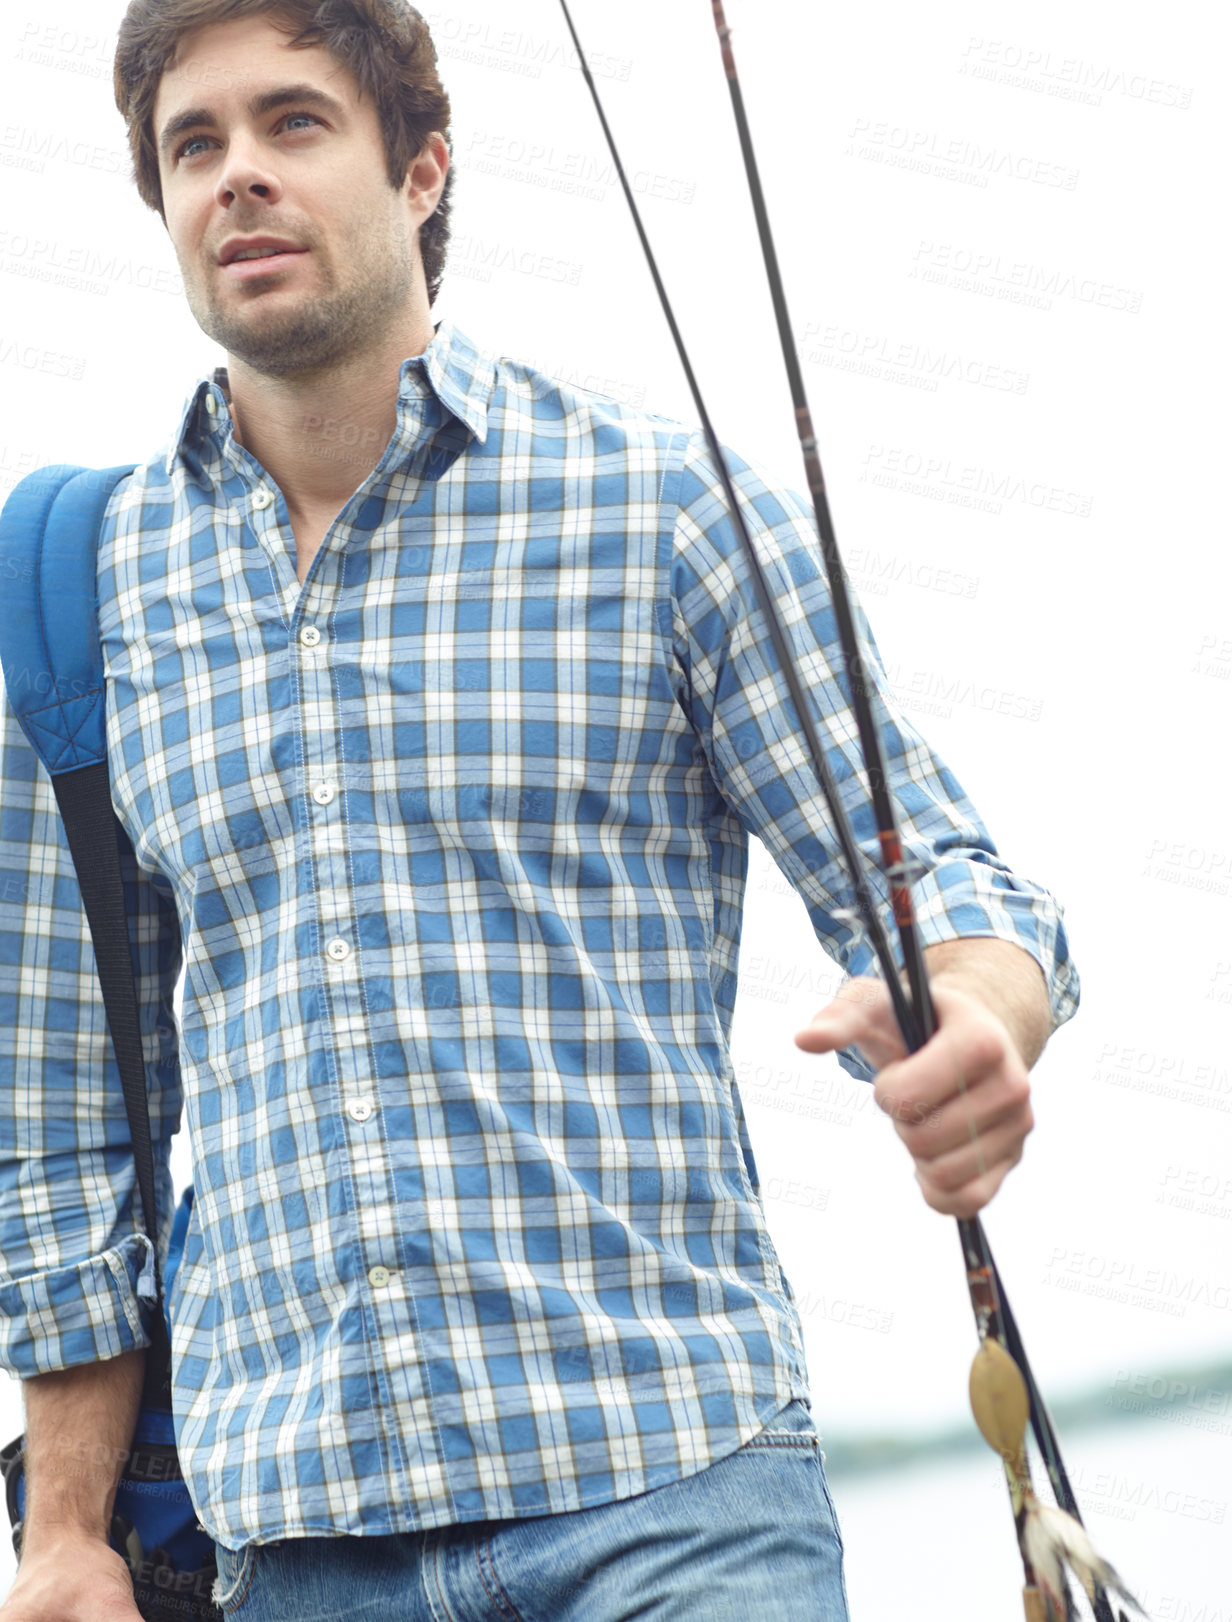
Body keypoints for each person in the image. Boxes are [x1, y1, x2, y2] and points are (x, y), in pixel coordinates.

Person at [0, 2, 1078, 1618]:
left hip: (673, 1497)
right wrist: (63, 1531)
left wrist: (980, 1016)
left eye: (295, 125)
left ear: (423, 167)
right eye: (194, 145)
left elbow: (944, 880)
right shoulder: (82, 590)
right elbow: (60, 1123)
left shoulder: (664, 506)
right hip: (292, 1536)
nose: (238, 177)